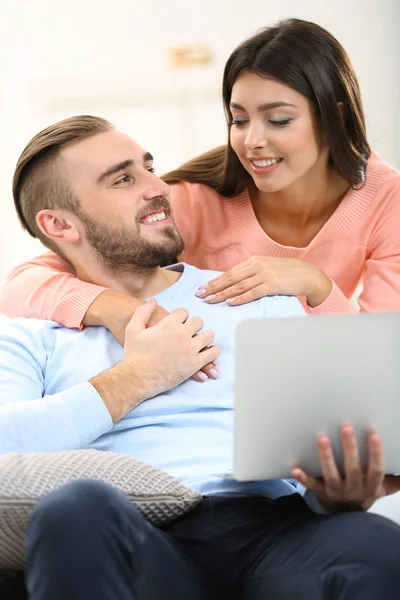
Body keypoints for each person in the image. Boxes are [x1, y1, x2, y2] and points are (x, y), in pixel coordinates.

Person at [1, 115, 400, 600]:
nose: (157, 187)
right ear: (59, 224)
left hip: (273, 530)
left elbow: (312, 463)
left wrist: (334, 498)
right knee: (72, 510)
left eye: (150, 167)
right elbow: (7, 442)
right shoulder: (32, 335)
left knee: (375, 544)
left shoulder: (254, 296)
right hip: (139, 533)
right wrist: (135, 379)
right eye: (124, 179)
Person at [0, 18, 399, 353]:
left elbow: (377, 358)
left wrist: (316, 285)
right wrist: (116, 309)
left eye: (278, 120)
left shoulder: (388, 201)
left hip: (294, 373)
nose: (251, 141)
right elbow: (21, 286)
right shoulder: (194, 200)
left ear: (335, 115)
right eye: (239, 120)